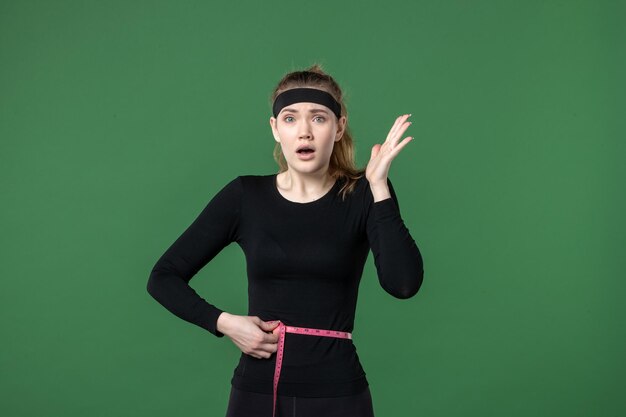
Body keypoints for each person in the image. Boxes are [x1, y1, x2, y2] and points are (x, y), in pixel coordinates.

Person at [147, 64, 425, 417]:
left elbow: (403, 284)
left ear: (339, 128)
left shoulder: (363, 194)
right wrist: (225, 323)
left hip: (338, 395)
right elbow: (163, 277)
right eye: (291, 119)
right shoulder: (245, 196)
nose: (305, 132)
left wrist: (379, 186)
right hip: (256, 393)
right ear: (275, 129)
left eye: (319, 118)